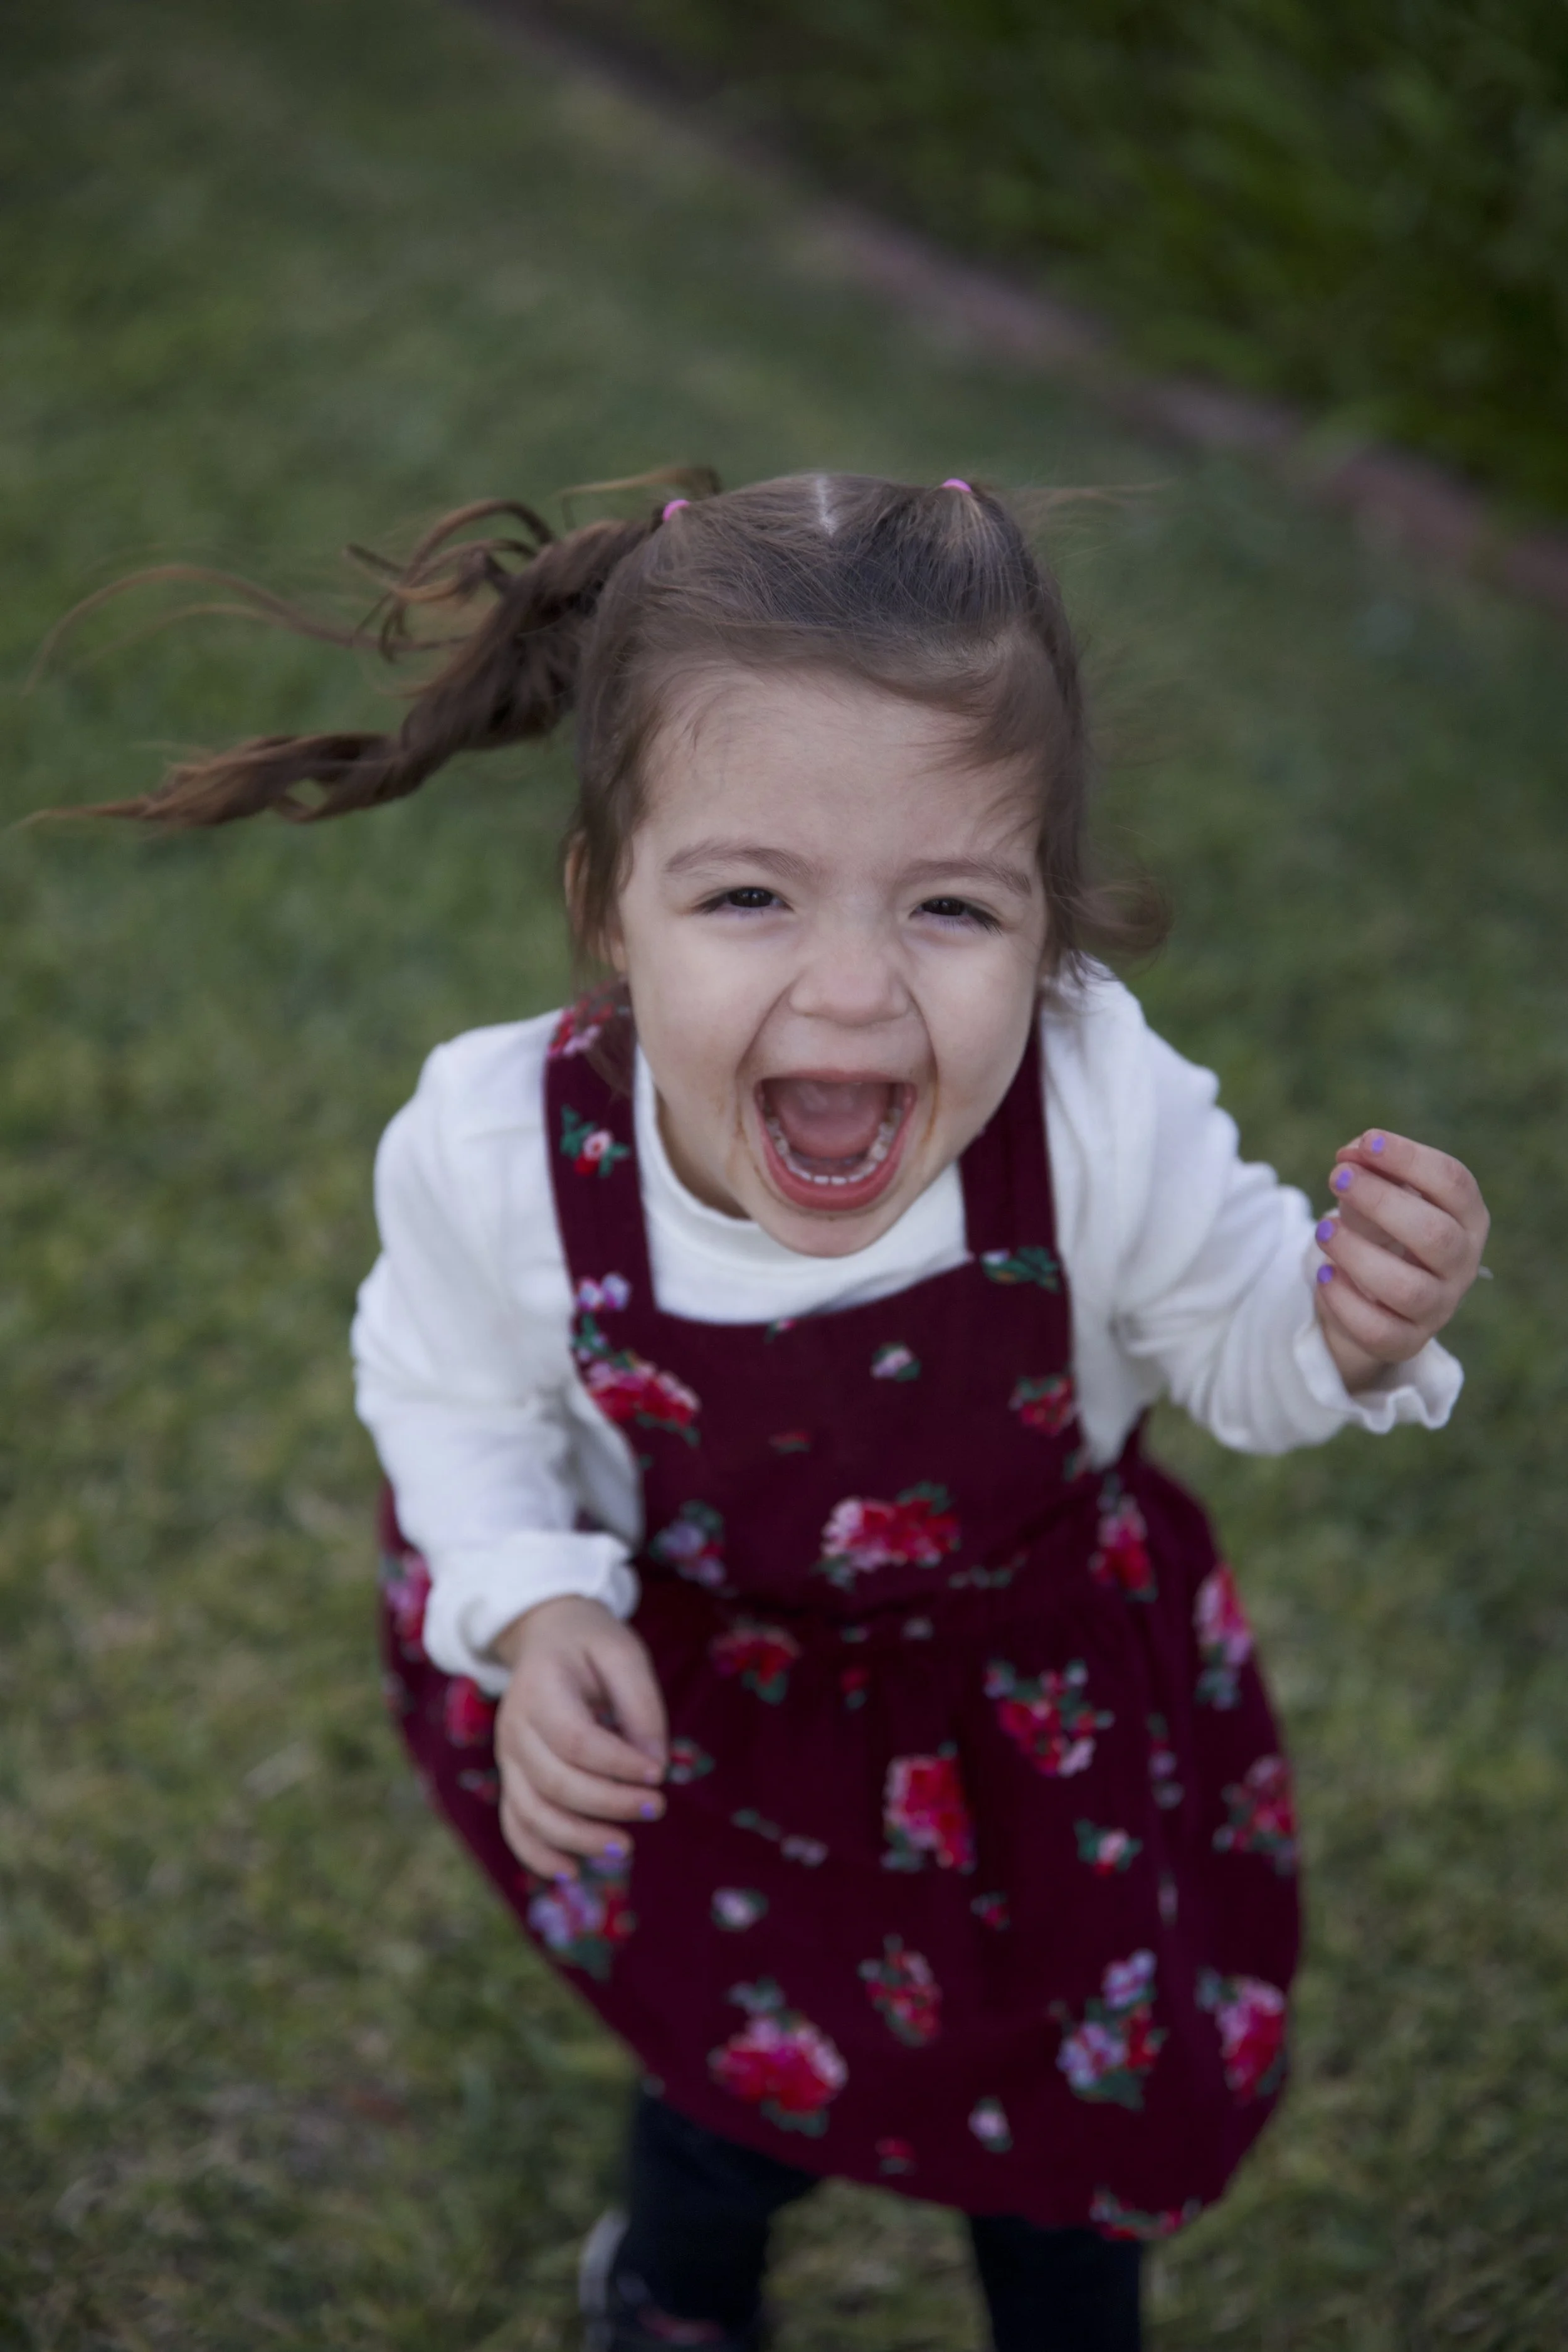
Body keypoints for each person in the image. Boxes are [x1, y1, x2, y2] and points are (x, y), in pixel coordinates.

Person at [78, 473, 1488, 2351]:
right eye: (747, 895)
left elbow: (1241, 1344)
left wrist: (1345, 1323)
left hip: (1030, 1722)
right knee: (735, 2080)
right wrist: (534, 1596)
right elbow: (444, 1389)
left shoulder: (1091, 1107)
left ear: (1049, 927)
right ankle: (672, 2290)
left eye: (952, 907)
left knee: (1065, 2132)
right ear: (610, 907)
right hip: (714, 1724)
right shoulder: (504, 1152)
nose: (851, 990)